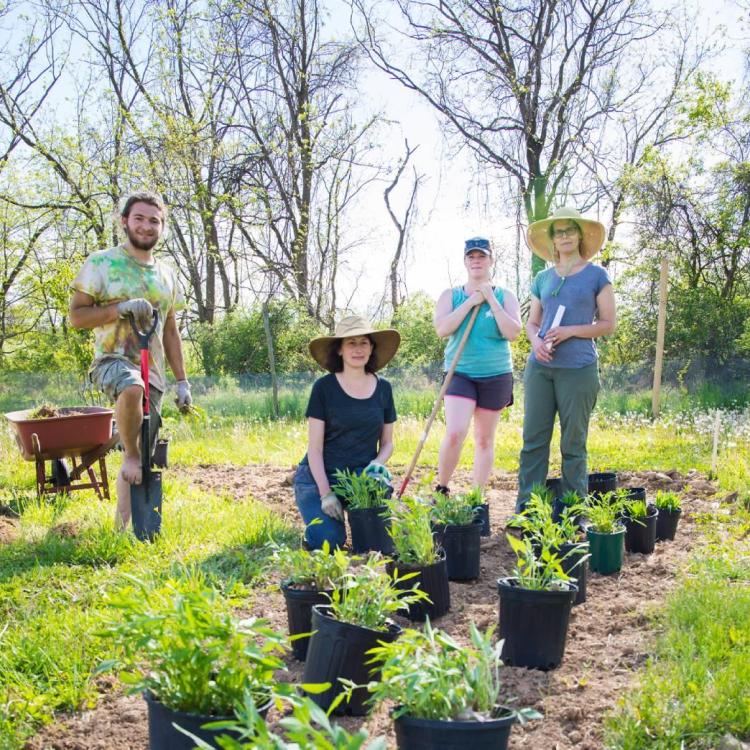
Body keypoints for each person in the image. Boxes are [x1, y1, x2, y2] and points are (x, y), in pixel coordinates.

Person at [69, 191, 191, 530]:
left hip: (153, 372)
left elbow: (170, 330)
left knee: (139, 455)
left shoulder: (166, 274)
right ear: (125, 221)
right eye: (139, 218)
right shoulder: (102, 263)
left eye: (154, 220)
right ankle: (133, 455)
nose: (146, 226)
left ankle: (123, 530)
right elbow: (77, 317)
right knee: (132, 387)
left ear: (162, 227)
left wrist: (182, 381)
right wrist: (118, 309)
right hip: (112, 360)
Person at [516, 206, 616, 510]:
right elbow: (532, 323)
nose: (565, 236)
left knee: (573, 444)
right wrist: (535, 343)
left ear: (580, 235)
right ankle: (529, 509)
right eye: (559, 232)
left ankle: (574, 510)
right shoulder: (542, 278)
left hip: (578, 369)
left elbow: (608, 324)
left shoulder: (597, 275)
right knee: (534, 441)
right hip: (540, 369)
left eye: (570, 230)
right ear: (552, 240)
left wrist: (571, 330)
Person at [294, 315, 400, 550]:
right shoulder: (324, 388)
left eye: (364, 342)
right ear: (340, 350)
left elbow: (388, 443)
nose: (358, 349)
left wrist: (378, 463)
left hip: (360, 477)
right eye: (351, 343)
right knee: (329, 543)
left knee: (376, 542)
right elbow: (315, 449)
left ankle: (359, 521)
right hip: (318, 478)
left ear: (372, 348)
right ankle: (316, 529)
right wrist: (325, 494)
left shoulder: (384, 388)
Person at [433, 237, 522, 495]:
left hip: (496, 375)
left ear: (491, 260)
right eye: (471, 257)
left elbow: (513, 332)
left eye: (481, 256)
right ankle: (442, 487)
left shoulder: (506, 296)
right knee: (455, 432)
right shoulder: (451, 295)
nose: (476, 261)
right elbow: (442, 329)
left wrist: (491, 300)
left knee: (484, 439)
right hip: (459, 373)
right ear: (464, 261)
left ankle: (476, 496)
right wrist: (471, 302)